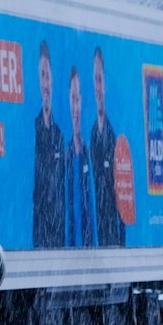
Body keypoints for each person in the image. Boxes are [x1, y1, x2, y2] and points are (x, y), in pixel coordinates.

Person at [88, 47, 125, 247]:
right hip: (98, 240)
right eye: (95, 79)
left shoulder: (115, 136)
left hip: (114, 238)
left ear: (106, 84)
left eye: (100, 79)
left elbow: (124, 199)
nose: (97, 86)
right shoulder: (92, 136)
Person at [31, 41, 65, 249]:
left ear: (52, 80)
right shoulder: (33, 130)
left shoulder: (59, 136)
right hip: (41, 236)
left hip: (59, 237)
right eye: (41, 75)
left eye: (47, 75)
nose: (45, 82)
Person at [65, 68, 97, 247]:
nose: (75, 107)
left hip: (91, 252)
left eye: (78, 99)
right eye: (72, 98)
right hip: (68, 251)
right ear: (68, 101)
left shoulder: (88, 154)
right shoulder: (65, 156)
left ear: (82, 101)